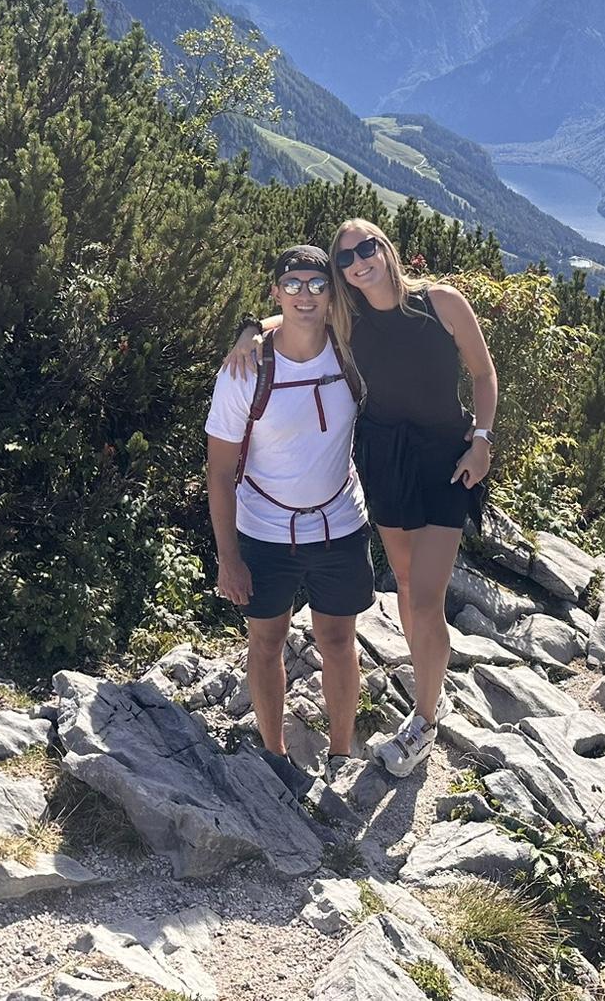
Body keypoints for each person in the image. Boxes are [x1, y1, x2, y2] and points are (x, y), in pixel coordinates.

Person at [226, 220, 498, 779]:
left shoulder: (442, 303)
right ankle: (426, 679)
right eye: (345, 257)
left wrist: (483, 440)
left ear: (386, 248)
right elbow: (291, 312)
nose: (358, 261)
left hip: (447, 460)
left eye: (366, 248)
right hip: (384, 460)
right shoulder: (345, 320)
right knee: (402, 584)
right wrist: (249, 330)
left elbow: (484, 372)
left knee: (424, 598)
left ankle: (425, 719)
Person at [205, 245, 373, 786]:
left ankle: (341, 754)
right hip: (265, 532)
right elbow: (219, 471)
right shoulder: (243, 370)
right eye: (293, 283)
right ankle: (275, 754)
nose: (305, 294)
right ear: (275, 290)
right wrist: (227, 557)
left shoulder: (350, 352)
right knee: (266, 641)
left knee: (339, 641)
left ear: (332, 294)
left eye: (317, 284)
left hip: (341, 525)